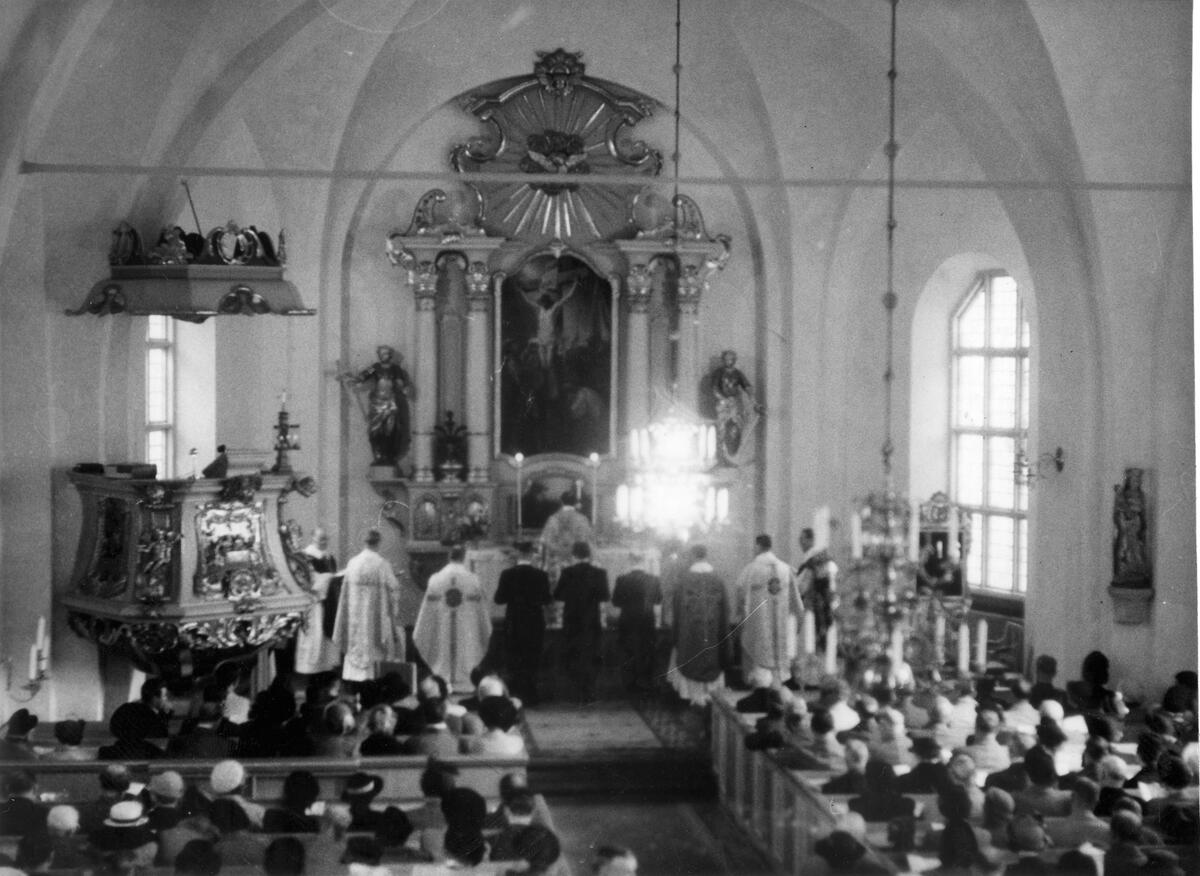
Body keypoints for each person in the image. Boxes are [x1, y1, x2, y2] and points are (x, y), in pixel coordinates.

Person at [414, 545, 492, 693]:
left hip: (442, 628)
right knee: (466, 648)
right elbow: (481, 611)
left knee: (442, 648)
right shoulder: (473, 580)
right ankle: (465, 679)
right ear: (464, 556)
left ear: (449, 556)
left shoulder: (436, 580)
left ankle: (442, 680)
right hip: (466, 628)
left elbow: (427, 612)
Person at [332, 528, 404, 685]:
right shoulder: (382, 564)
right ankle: (372, 682)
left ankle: (353, 682)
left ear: (363, 543)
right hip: (374, 620)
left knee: (355, 644)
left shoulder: (353, 563)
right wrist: (393, 606)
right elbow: (393, 588)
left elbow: (344, 594)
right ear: (378, 543)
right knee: (374, 646)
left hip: (355, 619)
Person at [667, 544, 730, 706]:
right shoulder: (718, 580)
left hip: (690, 637)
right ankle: (710, 699)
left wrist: (675, 636)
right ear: (706, 555)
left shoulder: (683, 581)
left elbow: (677, 611)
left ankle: (694, 699)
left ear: (693, 556)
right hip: (713, 634)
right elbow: (725, 611)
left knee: (690, 658)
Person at [734, 535, 802, 683]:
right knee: (779, 655)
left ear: (758, 546)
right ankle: (778, 684)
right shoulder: (786, 569)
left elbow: (740, 592)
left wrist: (740, 616)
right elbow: (796, 599)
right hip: (781, 625)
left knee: (759, 654)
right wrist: (799, 618)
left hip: (760, 626)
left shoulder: (751, 569)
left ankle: (761, 686)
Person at [494, 541, 553, 705]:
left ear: (518, 554)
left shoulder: (507, 574)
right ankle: (531, 695)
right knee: (532, 658)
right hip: (534, 622)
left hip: (514, 621)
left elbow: (499, 599)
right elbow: (547, 599)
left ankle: (515, 694)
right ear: (531, 555)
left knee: (514, 658)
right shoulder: (541, 575)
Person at [554, 540, 610, 703]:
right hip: (591, 620)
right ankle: (589, 692)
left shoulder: (567, 572)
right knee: (591, 655)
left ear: (574, 555)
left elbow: (558, 595)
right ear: (589, 555)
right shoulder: (599, 573)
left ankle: (576, 692)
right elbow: (605, 596)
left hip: (572, 620)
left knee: (574, 654)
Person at [342, 345, 412, 466]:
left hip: (391, 404)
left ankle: (389, 456)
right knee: (375, 430)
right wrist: (351, 379)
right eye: (381, 353)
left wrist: (404, 387)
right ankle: (378, 455)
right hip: (377, 403)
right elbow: (362, 377)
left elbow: (401, 383)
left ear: (390, 355)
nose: (383, 355)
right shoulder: (375, 367)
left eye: (386, 353)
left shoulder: (396, 369)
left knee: (391, 429)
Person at [611, 554, 663, 694]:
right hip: (647, 621)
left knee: (628, 653)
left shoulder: (622, 579)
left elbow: (616, 602)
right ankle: (646, 685)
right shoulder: (653, 579)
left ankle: (630, 687)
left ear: (630, 562)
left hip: (627, 622)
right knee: (647, 652)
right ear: (644, 562)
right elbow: (658, 600)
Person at [294, 526, 340, 677]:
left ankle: (327, 670)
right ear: (313, 538)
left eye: (326, 539)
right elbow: (307, 581)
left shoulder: (329, 557)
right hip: (314, 603)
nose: (324, 542)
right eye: (321, 539)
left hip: (329, 602)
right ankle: (310, 671)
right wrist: (328, 578)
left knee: (327, 639)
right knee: (314, 636)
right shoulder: (305, 557)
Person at [710, 349, 758, 461]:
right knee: (721, 428)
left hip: (735, 403)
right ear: (723, 360)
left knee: (738, 426)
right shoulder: (719, 373)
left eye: (731, 359)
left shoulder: (737, 373)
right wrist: (724, 398)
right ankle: (721, 455)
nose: (729, 361)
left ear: (734, 360)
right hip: (723, 403)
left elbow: (746, 385)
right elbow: (715, 389)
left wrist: (750, 394)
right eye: (727, 359)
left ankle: (734, 454)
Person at [795, 527, 839, 647]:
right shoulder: (815, 559)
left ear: (811, 540)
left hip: (815, 606)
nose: (800, 542)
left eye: (802, 539)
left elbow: (804, 586)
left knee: (815, 640)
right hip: (819, 605)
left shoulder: (814, 559)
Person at [539, 491, 593, 580]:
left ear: (561, 502)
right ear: (575, 503)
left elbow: (545, 541)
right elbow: (587, 542)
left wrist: (560, 551)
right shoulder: (582, 519)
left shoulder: (553, 519)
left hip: (557, 561)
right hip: (576, 560)